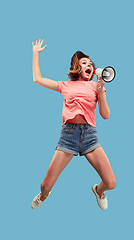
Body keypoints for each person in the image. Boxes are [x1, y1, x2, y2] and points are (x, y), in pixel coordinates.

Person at [31, 39, 116, 210]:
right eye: (84, 62)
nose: (89, 65)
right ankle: (43, 196)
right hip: (68, 136)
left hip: (89, 136)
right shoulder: (65, 85)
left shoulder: (95, 86)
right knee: (45, 186)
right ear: (77, 66)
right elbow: (37, 79)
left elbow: (105, 115)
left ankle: (99, 191)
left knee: (111, 182)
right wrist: (35, 54)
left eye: (91, 63)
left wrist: (101, 91)